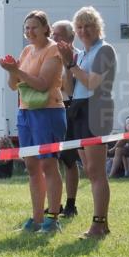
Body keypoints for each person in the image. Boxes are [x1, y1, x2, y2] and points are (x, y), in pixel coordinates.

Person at [0, 10, 65, 234]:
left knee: (48, 165)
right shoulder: (27, 50)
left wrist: (17, 70)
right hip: (25, 112)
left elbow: (43, 84)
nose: (29, 32)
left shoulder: (53, 50)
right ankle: (37, 219)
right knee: (32, 166)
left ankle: (52, 218)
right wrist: (12, 72)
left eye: (34, 27)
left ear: (46, 28)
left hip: (48, 111)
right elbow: (13, 85)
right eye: (26, 28)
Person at [57, 6, 117, 239]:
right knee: (90, 171)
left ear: (97, 27)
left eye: (88, 26)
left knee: (96, 171)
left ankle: (98, 225)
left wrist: (72, 66)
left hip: (97, 108)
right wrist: (67, 63)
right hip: (79, 109)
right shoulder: (80, 55)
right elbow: (70, 89)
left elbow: (92, 83)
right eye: (79, 27)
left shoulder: (105, 50)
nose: (84, 31)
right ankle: (103, 224)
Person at [52, 20, 81, 219]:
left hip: (69, 109)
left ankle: (71, 205)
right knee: (51, 160)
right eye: (53, 34)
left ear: (71, 37)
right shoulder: (49, 55)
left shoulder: (77, 56)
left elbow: (69, 88)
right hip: (51, 110)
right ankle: (55, 204)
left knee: (69, 160)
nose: (54, 38)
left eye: (59, 35)